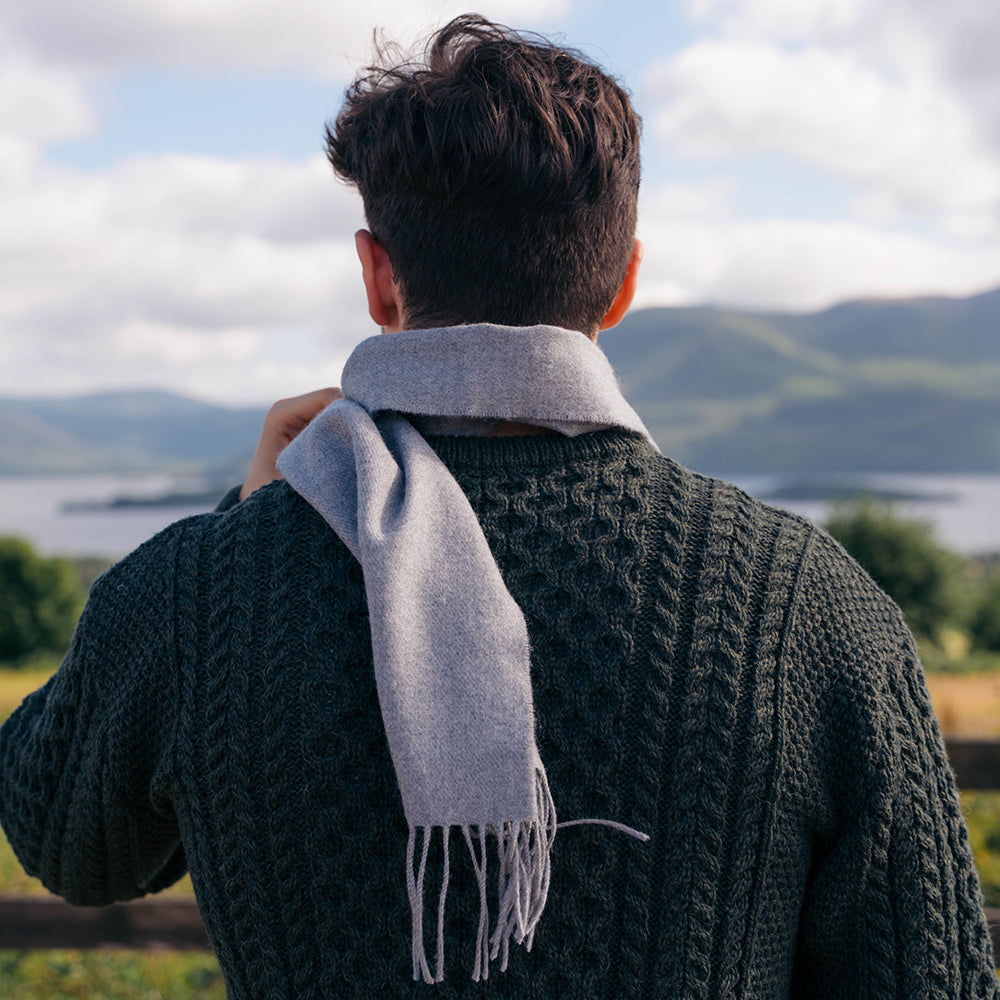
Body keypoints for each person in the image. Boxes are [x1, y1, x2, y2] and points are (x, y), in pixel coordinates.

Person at [1, 14, 997, 999]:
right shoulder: (813, 607)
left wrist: (245, 515)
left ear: (377, 276)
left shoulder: (195, 591)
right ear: (622, 283)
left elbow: (68, 842)